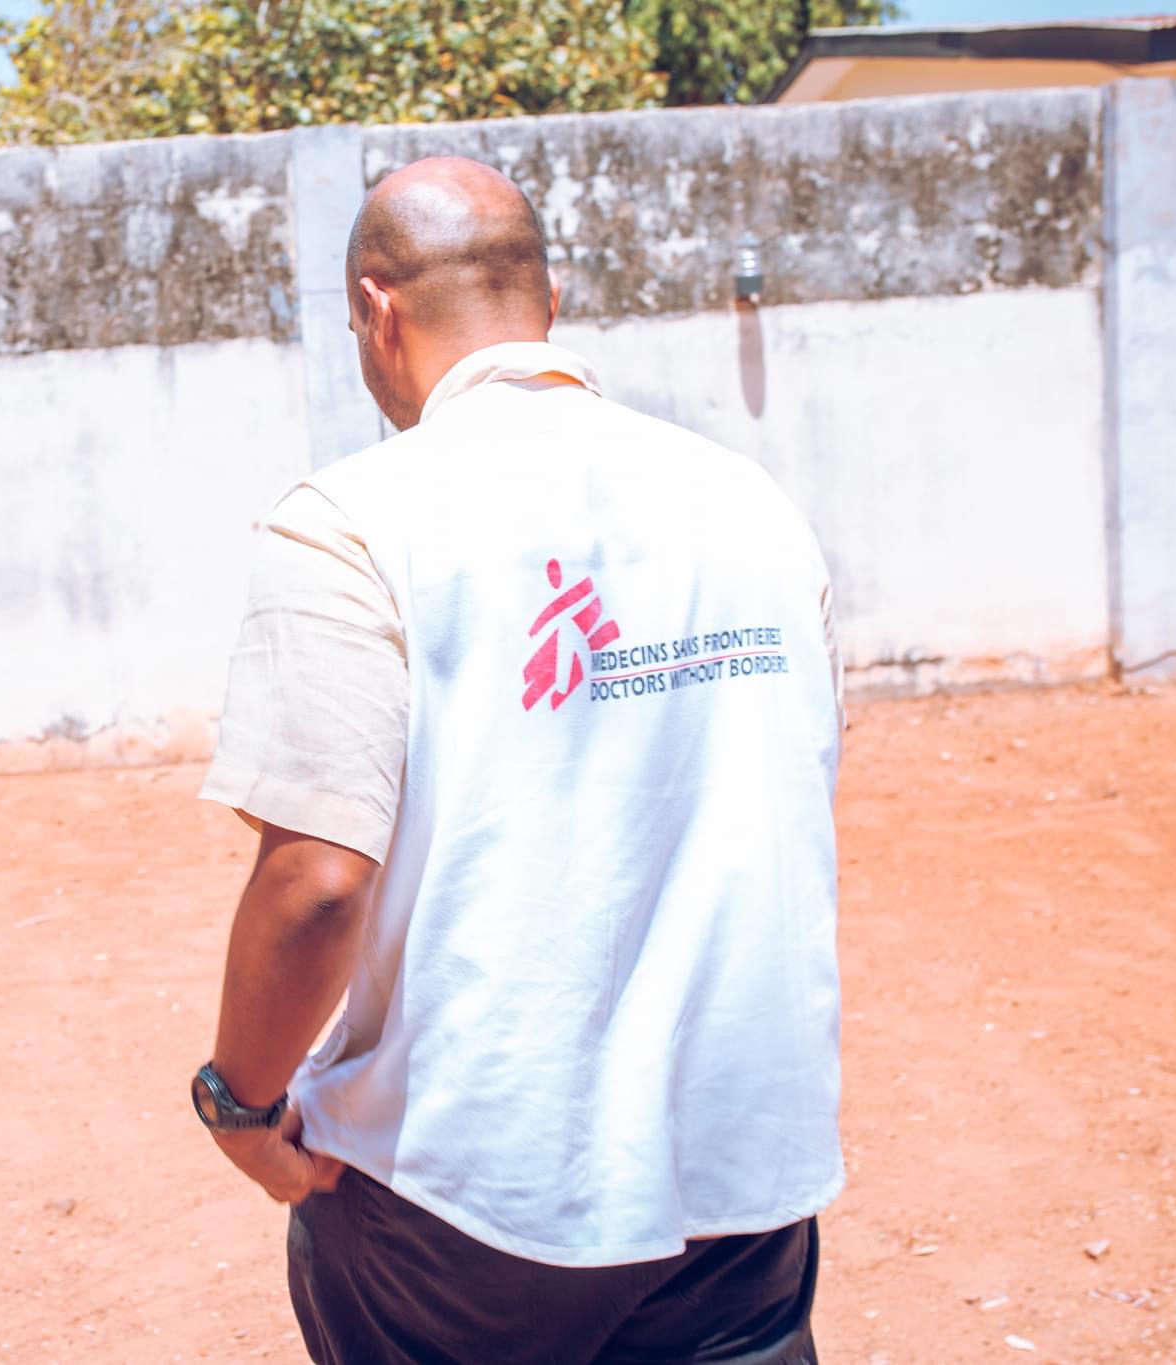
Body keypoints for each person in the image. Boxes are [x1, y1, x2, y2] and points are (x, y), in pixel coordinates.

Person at [191, 155, 845, 1364]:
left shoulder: (348, 522)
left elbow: (318, 882)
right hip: (739, 1174)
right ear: (549, 300)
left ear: (376, 311)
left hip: (464, 1196)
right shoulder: (745, 501)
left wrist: (237, 1102)